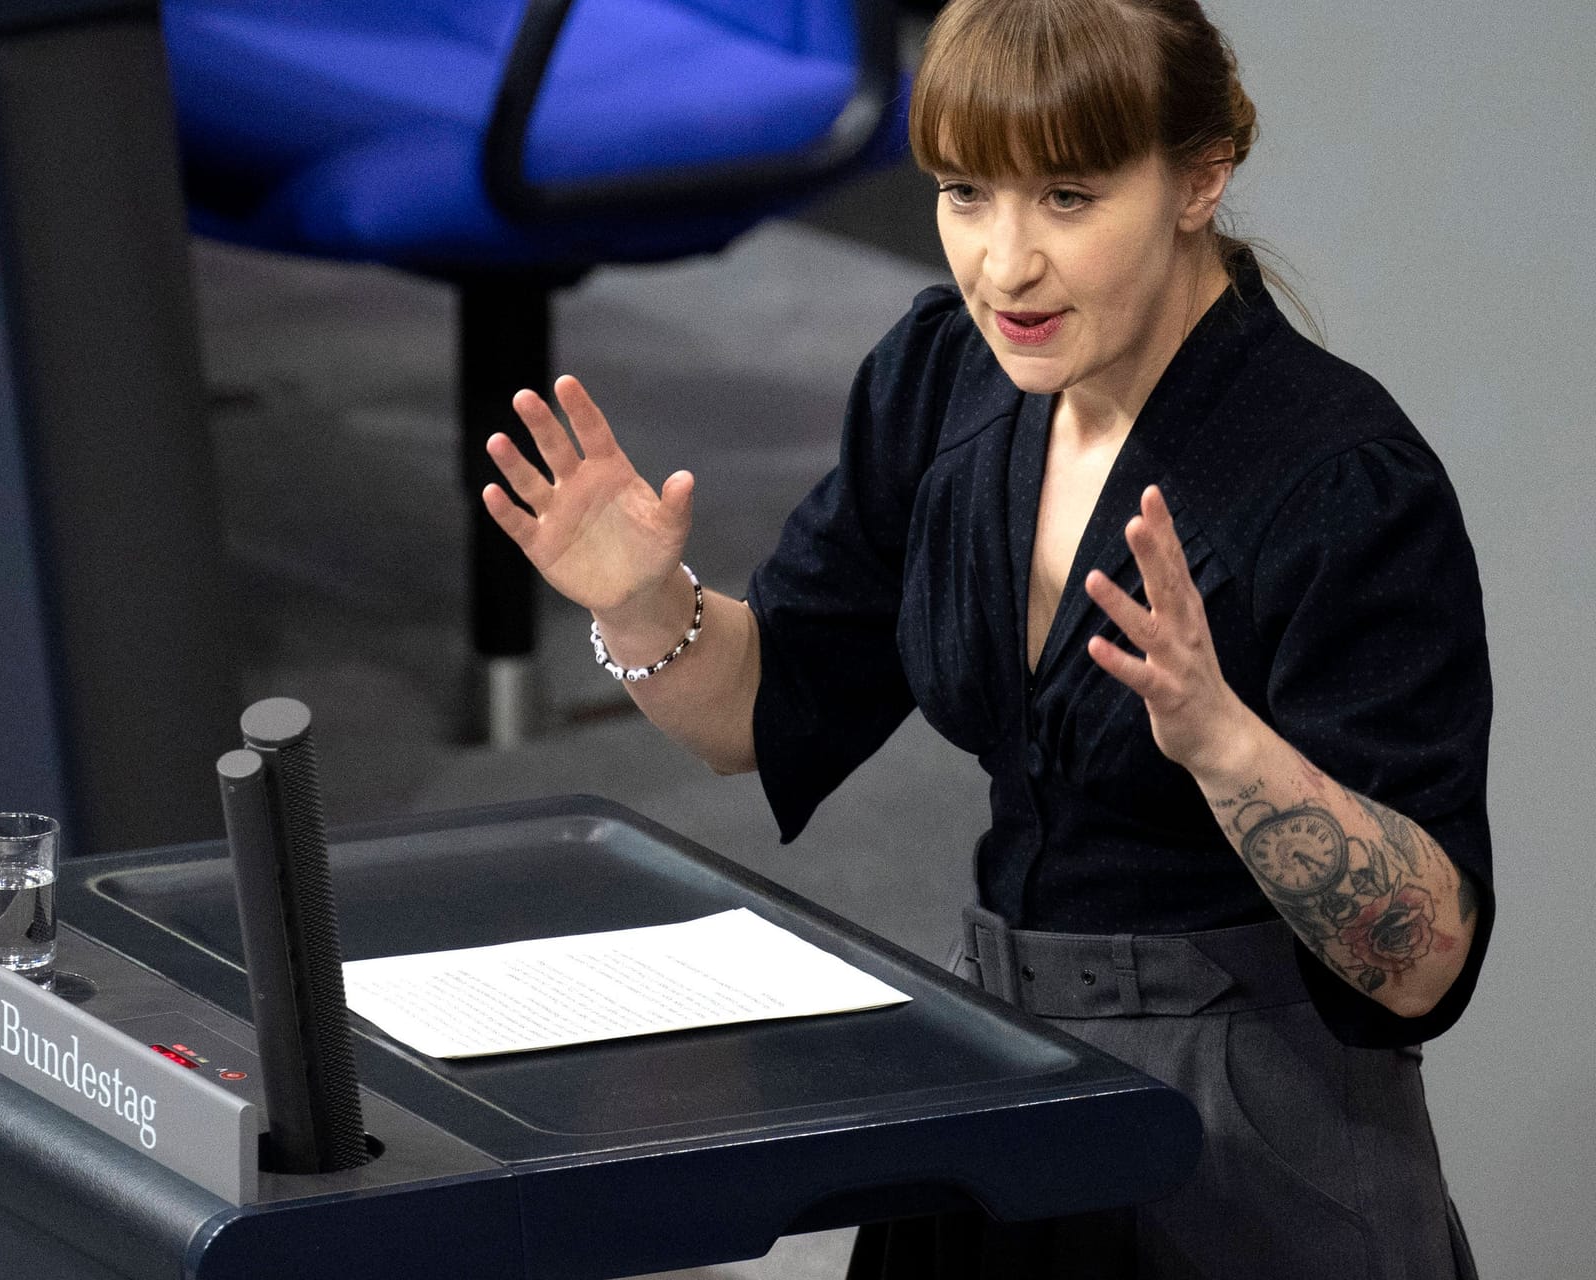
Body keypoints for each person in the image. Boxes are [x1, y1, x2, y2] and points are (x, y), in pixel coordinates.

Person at [480, 0, 1493, 1275]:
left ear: (1200, 176)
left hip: (1251, 1124)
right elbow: (765, 705)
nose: (1004, 265)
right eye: (966, 193)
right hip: (1001, 1073)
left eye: (1068, 198)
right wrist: (637, 600)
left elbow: (1423, 961)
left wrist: (1225, 744)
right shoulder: (942, 377)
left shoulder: (1344, 480)